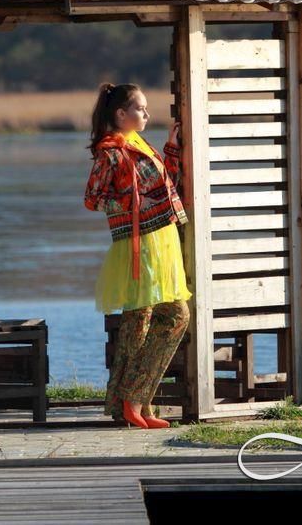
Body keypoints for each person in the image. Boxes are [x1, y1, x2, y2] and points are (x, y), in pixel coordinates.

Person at [83, 82, 192, 430]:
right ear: (121, 114)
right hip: (139, 245)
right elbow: (92, 198)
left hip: (161, 240)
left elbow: (162, 183)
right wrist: (130, 204)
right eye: (140, 108)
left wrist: (171, 147)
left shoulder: (138, 143)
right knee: (158, 320)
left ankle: (132, 404)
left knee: (156, 322)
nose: (146, 114)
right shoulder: (110, 152)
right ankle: (133, 402)